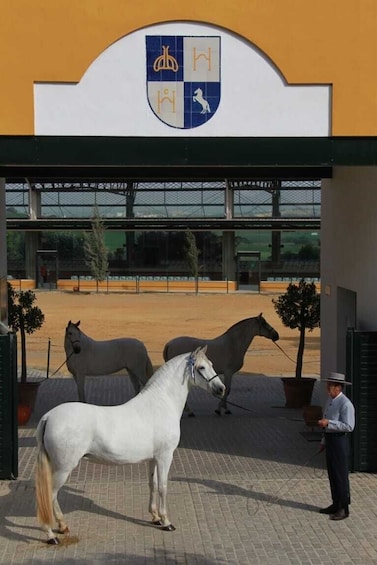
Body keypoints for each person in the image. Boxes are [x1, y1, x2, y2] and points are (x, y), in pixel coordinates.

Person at [317, 372, 355, 521]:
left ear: (338, 388)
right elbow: (327, 418)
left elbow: (349, 426)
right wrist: (323, 442)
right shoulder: (330, 400)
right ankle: (335, 503)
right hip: (330, 440)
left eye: (330, 386)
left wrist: (329, 423)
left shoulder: (345, 404)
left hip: (340, 442)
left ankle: (344, 508)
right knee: (332, 474)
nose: (328, 389)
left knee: (340, 475)